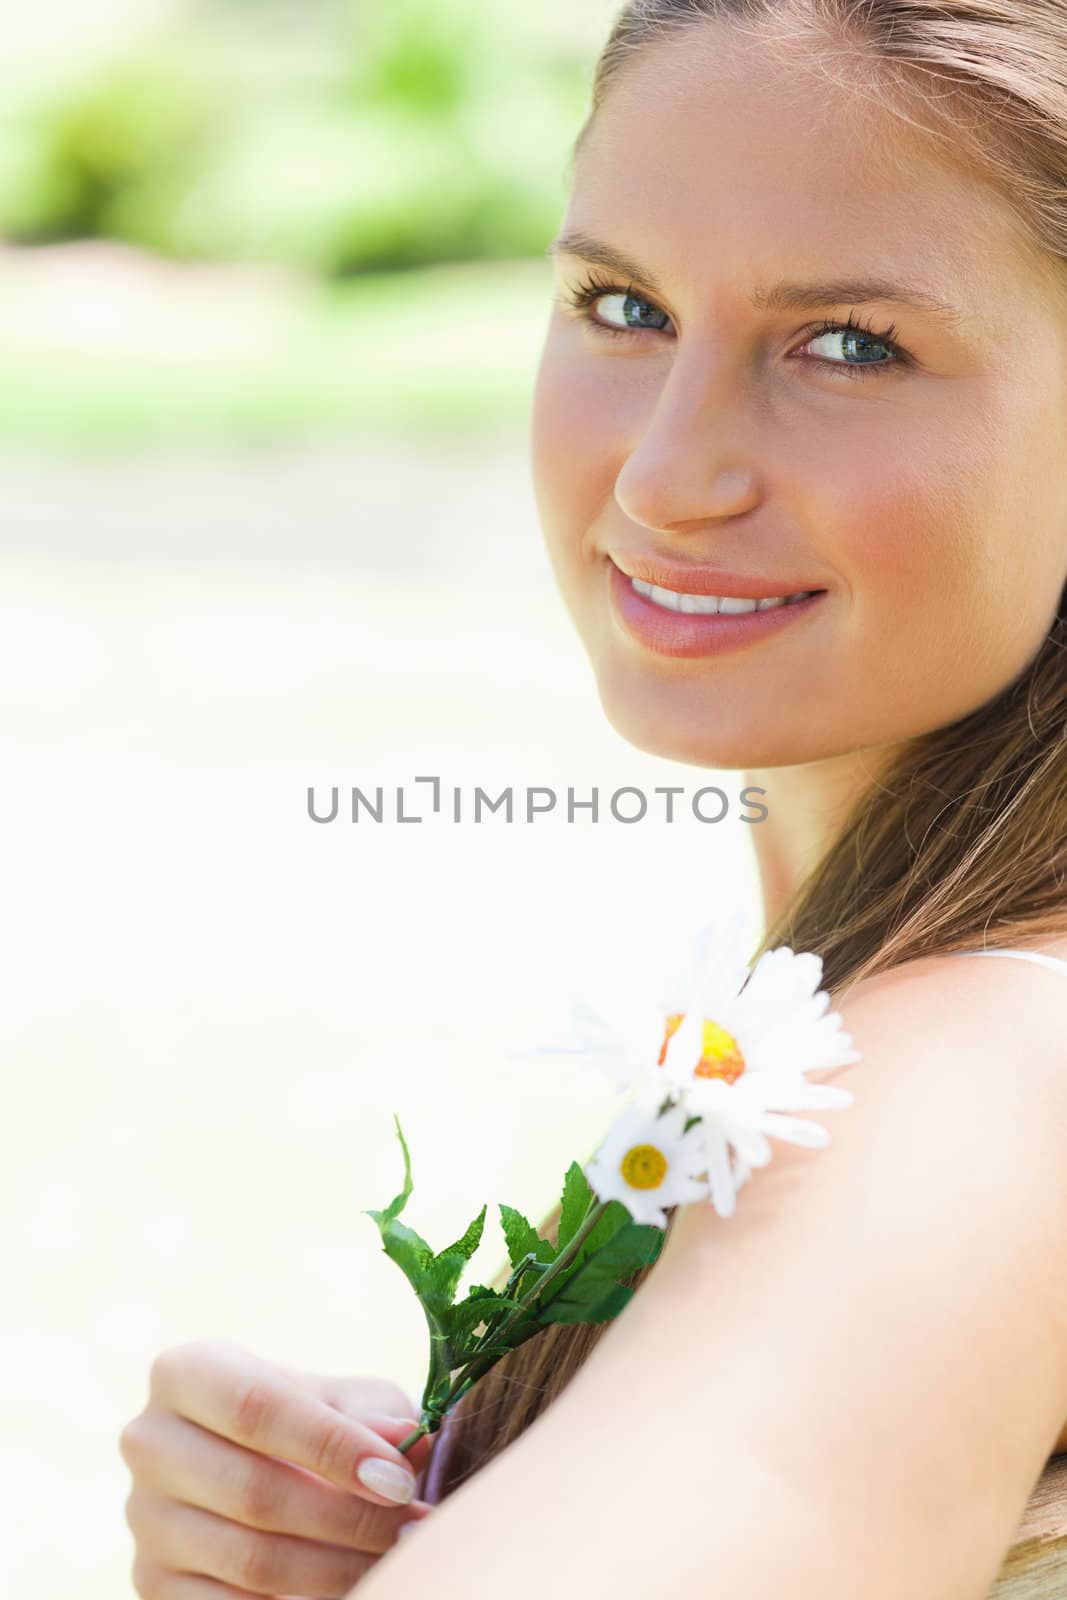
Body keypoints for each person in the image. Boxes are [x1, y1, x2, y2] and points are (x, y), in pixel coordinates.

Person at [118, 0, 1067, 1594]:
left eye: (849, 345)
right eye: (621, 305)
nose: (663, 477)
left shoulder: (976, 1079)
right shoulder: (858, 1023)